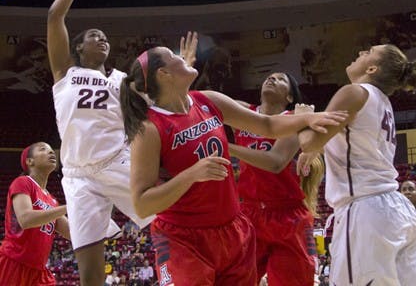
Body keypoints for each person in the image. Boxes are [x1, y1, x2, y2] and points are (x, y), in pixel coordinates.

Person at [120, 45, 348, 286]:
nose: (183, 57)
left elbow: (267, 126)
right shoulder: (149, 128)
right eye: (174, 56)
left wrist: (309, 118)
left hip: (233, 231)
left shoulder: (206, 100)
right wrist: (191, 175)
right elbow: (142, 205)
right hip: (183, 238)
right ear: (163, 74)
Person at [47, 0, 162, 286]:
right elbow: (55, 16)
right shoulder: (64, 74)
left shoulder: (123, 81)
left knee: (171, 222)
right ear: (78, 47)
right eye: (93, 36)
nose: (102, 39)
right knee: (90, 271)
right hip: (77, 175)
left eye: (104, 37)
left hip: (119, 162)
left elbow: (154, 111)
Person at [296, 44, 416, 286]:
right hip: (397, 211)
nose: (361, 52)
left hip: (366, 213)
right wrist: (319, 148)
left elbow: (309, 142)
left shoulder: (353, 92)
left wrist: (300, 117)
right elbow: (353, 141)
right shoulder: (382, 101)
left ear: (372, 68)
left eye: (369, 52)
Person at [229, 71, 320, 286]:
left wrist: (228, 147)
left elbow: (275, 162)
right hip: (249, 213)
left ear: (289, 97)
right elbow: (202, 103)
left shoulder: (294, 119)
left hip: (287, 215)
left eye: (280, 79)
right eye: (269, 77)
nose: (271, 79)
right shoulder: (243, 112)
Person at [0, 142, 70, 285]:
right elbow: (25, 219)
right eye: (43, 149)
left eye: (51, 150)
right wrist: (70, 207)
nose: (51, 152)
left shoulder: (52, 200)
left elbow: (73, 233)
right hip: (13, 263)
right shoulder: (23, 182)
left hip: (39, 272)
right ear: (29, 161)